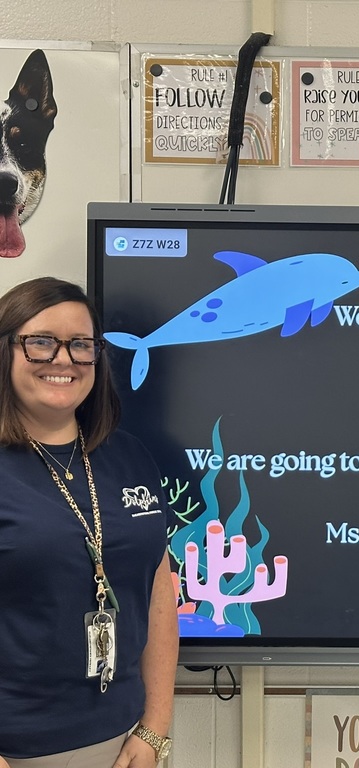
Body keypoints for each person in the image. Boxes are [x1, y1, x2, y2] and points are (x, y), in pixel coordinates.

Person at [0, 277, 178, 767]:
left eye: (82, 344)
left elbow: (160, 590)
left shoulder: (132, 458)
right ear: (5, 352)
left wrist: (156, 728)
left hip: (126, 743)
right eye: (40, 343)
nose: (64, 360)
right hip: (17, 750)